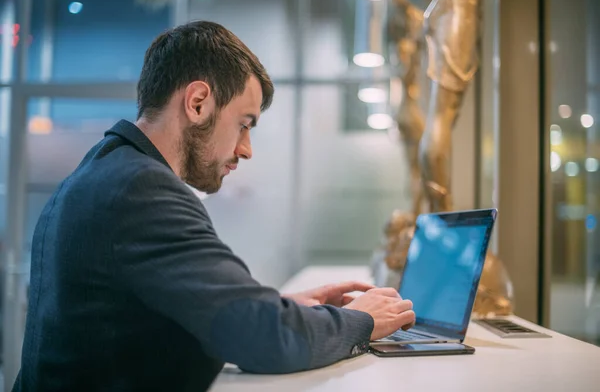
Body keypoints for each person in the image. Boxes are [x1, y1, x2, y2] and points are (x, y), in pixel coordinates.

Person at [13, 21, 415, 391]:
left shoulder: (103, 169)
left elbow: (171, 312)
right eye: (244, 123)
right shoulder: (140, 189)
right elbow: (260, 338)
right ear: (198, 102)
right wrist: (362, 320)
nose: (246, 149)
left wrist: (282, 308)